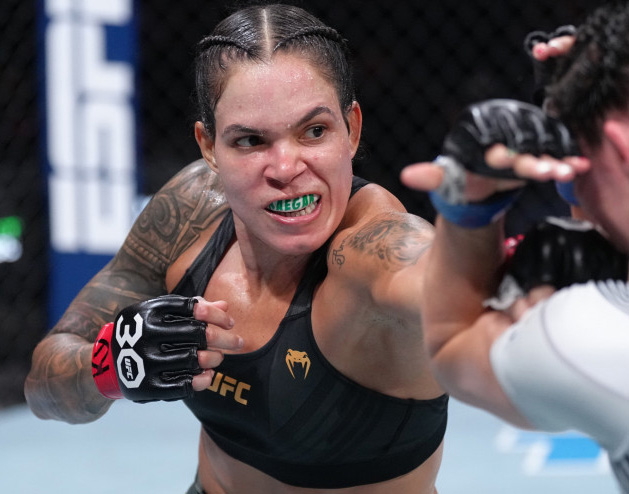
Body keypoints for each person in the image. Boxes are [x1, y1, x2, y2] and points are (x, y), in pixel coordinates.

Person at [24, 4, 448, 493]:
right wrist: (109, 367)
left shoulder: (374, 245)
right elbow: (42, 387)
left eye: (314, 131)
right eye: (250, 141)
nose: (286, 169)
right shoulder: (189, 214)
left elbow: (438, 274)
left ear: (351, 129)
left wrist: (487, 231)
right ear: (209, 147)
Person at [401, 2, 629, 492]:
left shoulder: (593, 333)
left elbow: (453, 344)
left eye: (575, 159)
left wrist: (474, 204)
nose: (574, 194)